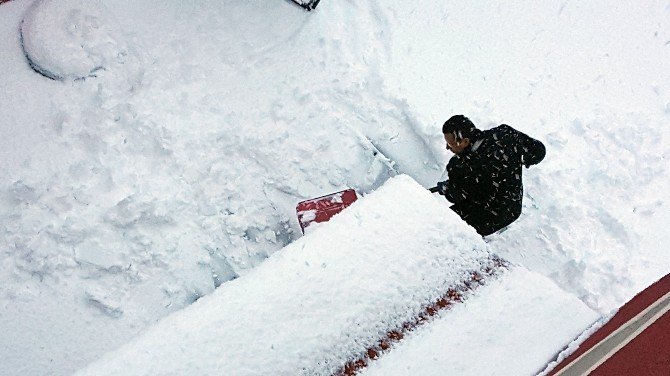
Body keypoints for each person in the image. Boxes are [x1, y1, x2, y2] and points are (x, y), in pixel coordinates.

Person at [435, 115, 545, 236]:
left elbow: (455, 196)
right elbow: (539, 150)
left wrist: (446, 189)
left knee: (443, 227)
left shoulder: (462, 168)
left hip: (492, 213)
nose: (447, 148)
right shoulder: (505, 134)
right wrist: (523, 160)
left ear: (465, 141)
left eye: (450, 144)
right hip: (513, 205)